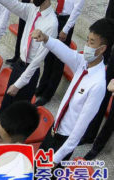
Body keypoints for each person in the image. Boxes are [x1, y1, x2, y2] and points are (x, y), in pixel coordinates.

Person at [31, 19, 112, 162]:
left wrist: (57, 158)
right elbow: (65, 52)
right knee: (36, 167)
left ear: (102, 49)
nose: (87, 46)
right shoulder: (83, 62)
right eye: (87, 40)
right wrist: (46, 38)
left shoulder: (98, 84)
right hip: (54, 128)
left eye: (92, 42)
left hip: (64, 141)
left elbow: (80, 128)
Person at [0, 0, 58, 117]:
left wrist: (18, 84)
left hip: (29, 72)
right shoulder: (32, 9)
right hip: (18, 66)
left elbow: (37, 61)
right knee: (5, 108)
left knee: (16, 115)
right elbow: (13, 4)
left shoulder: (51, 23)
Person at [29, 0, 91, 106]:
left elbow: (78, 7)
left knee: (58, 59)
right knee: (48, 53)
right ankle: (41, 86)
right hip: (57, 15)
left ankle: (48, 93)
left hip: (66, 21)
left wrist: (67, 28)